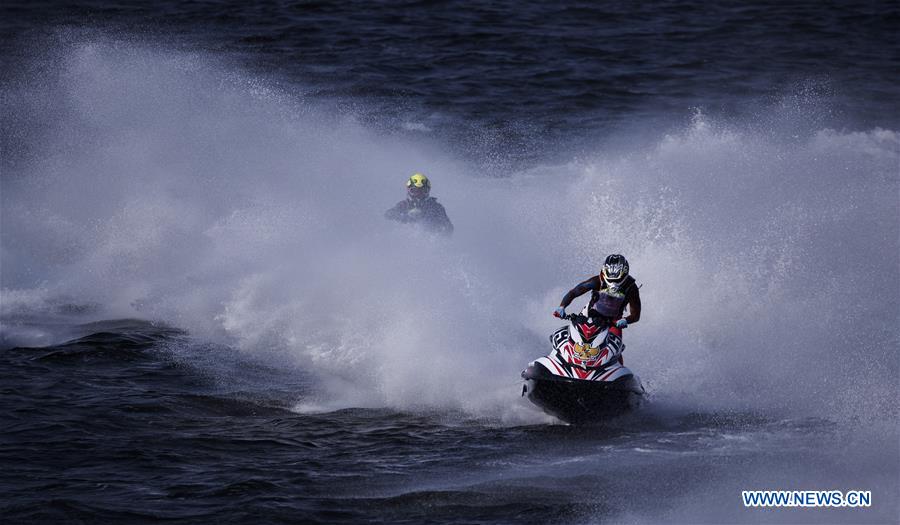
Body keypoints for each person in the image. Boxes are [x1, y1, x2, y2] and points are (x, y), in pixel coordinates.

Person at [553, 254, 641, 329]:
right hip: (587, 316)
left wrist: (626, 320)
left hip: (613, 323)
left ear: (625, 274)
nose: (613, 283)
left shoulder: (631, 288)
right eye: (610, 279)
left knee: (615, 344)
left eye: (618, 280)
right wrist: (562, 307)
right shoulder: (597, 281)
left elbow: (635, 315)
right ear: (604, 273)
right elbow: (574, 292)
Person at [385, 172, 453, 235]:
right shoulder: (403, 205)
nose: (418, 195)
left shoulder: (436, 207)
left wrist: (431, 222)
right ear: (408, 191)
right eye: (414, 191)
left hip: (429, 242)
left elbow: (448, 228)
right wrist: (406, 216)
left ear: (428, 191)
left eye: (422, 191)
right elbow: (388, 215)